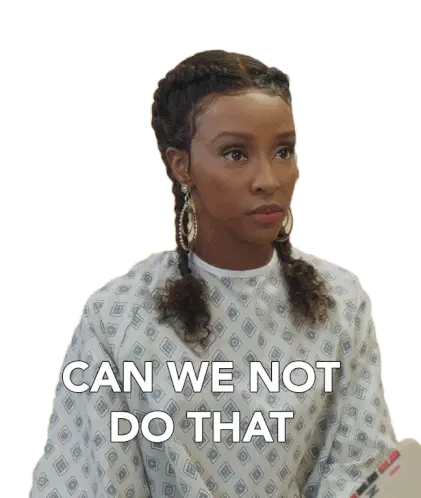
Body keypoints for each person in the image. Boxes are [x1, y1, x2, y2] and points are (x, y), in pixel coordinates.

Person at [29, 48, 398, 498]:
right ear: (181, 165)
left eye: (284, 150)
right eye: (236, 153)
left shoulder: (339, 301)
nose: (269, 179)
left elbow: (362, 464)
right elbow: (91, 479)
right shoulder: (119, 316)